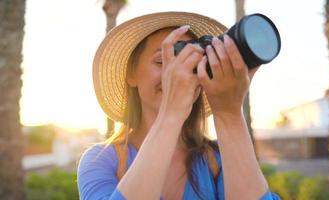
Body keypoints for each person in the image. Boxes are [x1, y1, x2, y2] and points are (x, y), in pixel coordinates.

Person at [77, 11, 280, 200]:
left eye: (190, 63)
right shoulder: (103, 160)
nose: (176, 74)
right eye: (161, 62)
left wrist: (229, 114)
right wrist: (171, 113)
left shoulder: (218, 158)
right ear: (131, 74)